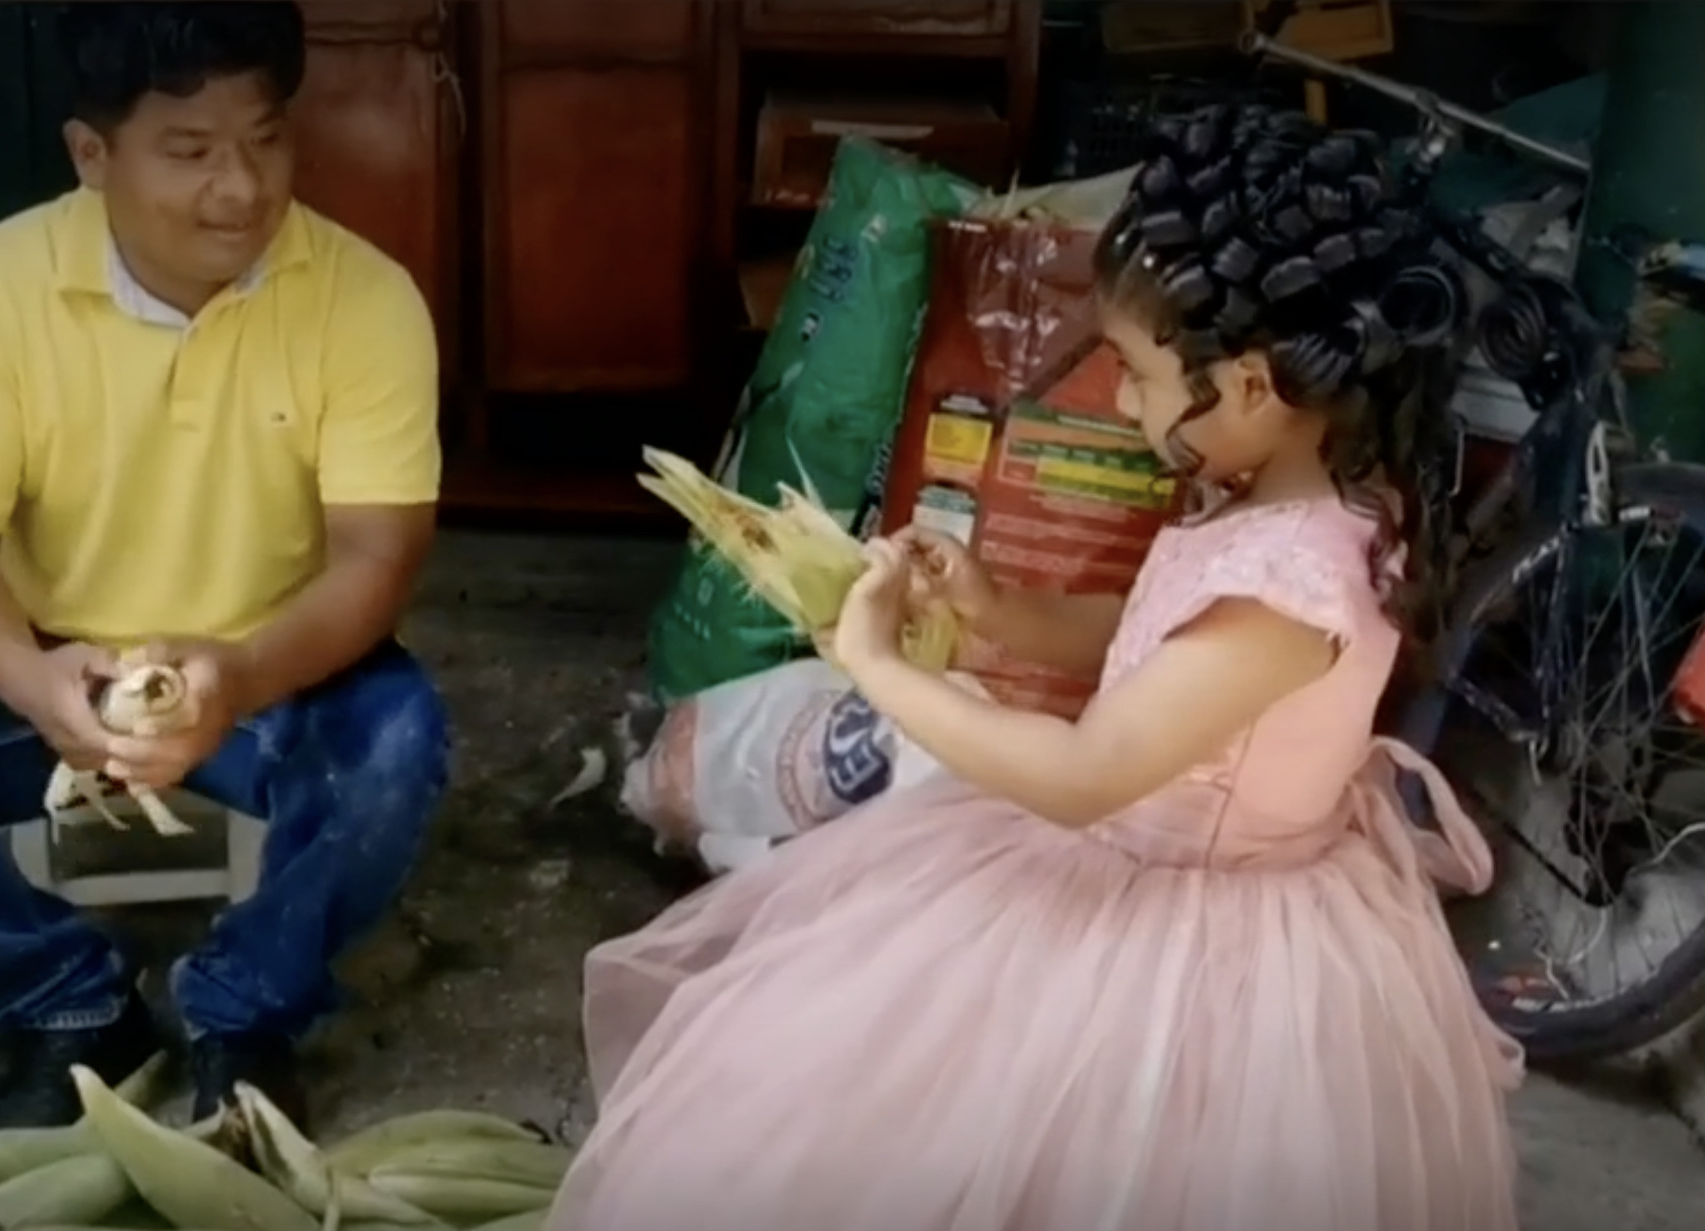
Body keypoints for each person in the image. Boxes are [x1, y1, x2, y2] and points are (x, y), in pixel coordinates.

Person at [548, 104, 1522, 1231]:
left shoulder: (1292, 584)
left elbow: (1083, 773)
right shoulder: (1285, 498)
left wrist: (884, 668)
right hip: (1138, 863)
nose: (1120, 400)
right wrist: (993, 610)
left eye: (1140, 373)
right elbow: (1149, 635)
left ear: (1252, 386)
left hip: (1191, 944)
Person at [0, 0, 449, 1133]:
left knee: (395, 745)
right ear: (92, 155)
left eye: (267, 136)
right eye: (189, 152)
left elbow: (378, 553)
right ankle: (63, 1004)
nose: (242, 188)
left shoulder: (365, 299)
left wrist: (234, 672)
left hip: (267, 667)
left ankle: (246, 1008)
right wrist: (32, 681)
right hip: (50, 659)